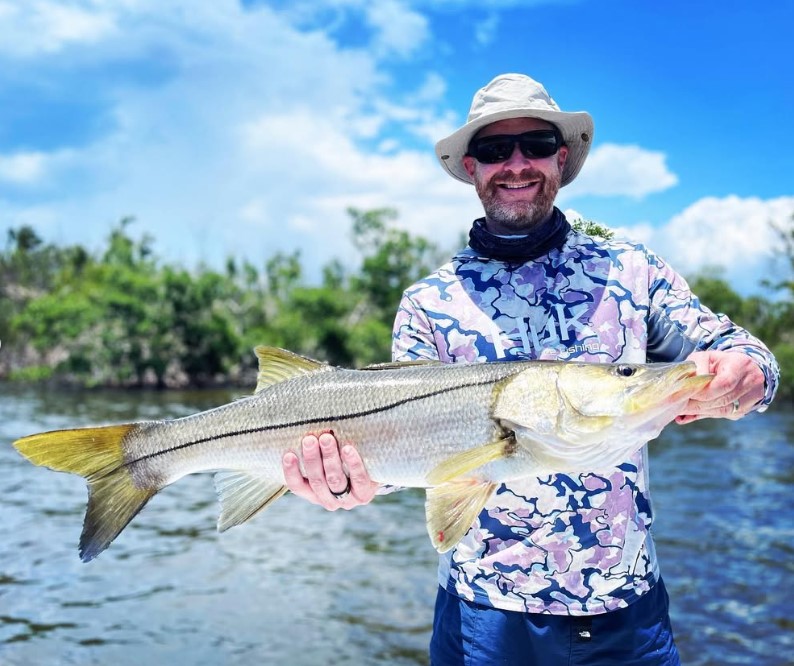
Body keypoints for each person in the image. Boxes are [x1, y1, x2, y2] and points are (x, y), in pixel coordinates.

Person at [281, 73, 779, 665]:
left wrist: (748, 371)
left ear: (561, 159)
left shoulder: (631, 271)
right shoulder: (429, 303)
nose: (516, 164)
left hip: (626, 612)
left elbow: (741, 350)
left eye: (536, 146)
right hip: (483, 620)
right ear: (472, 168)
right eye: (494, 150)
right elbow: (413, 458)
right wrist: (343, 482)